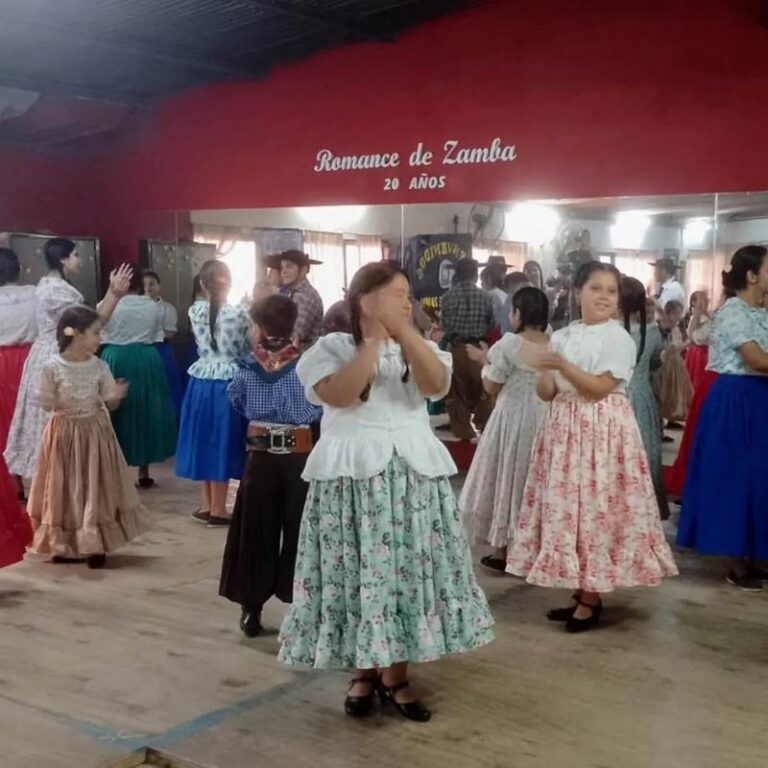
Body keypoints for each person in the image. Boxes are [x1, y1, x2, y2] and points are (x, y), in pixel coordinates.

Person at [278, 261, 494, 722]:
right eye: (396, 293)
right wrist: (374, 340)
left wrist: (407, 333)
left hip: (411, 480)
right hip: (352, 482)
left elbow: (436, 385)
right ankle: (362, 670)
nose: (405, 301)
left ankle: (396, 673)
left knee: (405, 575)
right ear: (363, 299)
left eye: (408, 294)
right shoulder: (331, 348)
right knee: (358, 572)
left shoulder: (423, 348)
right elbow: (340, 396)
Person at [507, 261, 678, 632]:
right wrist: (542, 369)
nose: (604, 296)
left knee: (595, 508)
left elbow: (599, 388)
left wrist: (561, 366)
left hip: (601, 431)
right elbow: (548, 392)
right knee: (572, 509)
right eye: (595, 288)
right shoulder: (565, 334)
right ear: (577, 292)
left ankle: (590, 596)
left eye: (611, 290)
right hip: (565, 428)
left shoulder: (617, 338)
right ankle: (583, 590)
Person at [219, 295, 322, 637]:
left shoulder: (249, 366)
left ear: (259, 328)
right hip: (300, 458)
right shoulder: (307, 365)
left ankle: (252, 609)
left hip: (261, 457)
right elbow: (320, 406)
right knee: (299, 529)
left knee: (256, 529)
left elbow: (236, 399)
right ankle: (301, 608)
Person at [26, 306, 150, 568]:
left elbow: (109, 402)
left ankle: (95, 543)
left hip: (95, 433)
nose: (99, 338)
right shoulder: (52, 366)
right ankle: (62, 543)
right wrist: (48, 398)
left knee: (94, 487)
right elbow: (45, 401)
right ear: (77, 334)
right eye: (95, 333)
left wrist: (115, 395)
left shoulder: (100, 366)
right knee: (64, 488)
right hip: (64, 435)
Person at [677, 246, 768, 590]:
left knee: (758, 479)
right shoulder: (733, 312)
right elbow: (755, 359)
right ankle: (736, 563)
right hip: (736, 398)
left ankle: (751, 556)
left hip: (758, 398)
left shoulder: (760, 310)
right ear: (752, 275)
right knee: (735, 478)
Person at [5, 238, 131, 479]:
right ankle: (62, 482)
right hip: (60, 357)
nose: (79, 260)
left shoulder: (48, 284)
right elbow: (92, 322)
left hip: (46, 354)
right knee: (63, 421)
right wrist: (114, 293)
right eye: (75, 255)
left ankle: (58, 481)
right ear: (63, 259)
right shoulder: (57, 290)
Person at [459, 287, 550, 571]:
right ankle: (538, 548)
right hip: (545, 416)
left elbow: (491, 386)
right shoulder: (555, 343)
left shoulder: (509, 344)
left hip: (511, 417)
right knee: (535, 481)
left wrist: (484, 362)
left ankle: (503, 549)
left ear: (518, 314)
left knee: (506, 477)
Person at [176, 260, 250, 525]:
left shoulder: (194, 311)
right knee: (223, 441)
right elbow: (245, 349)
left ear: (203, 285)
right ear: (226, 282)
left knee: (204, 440)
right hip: (227, 383)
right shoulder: (239, 313)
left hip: (200, 382)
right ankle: (219, 509)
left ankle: (207, 505)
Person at [100, 265, 177, 488]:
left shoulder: (105, 306)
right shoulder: (153, 306)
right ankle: (144, 472)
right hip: (146, 358)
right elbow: (158, 335)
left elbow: (98, 329)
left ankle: (116, 470)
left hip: (115, 357)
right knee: (146, 410)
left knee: (117, 412)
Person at [621, 276, 669, 520]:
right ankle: (644, 511)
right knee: (644, 454)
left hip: (614, 397)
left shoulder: (611, 332)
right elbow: (654, 365)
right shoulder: (651, 333)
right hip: (642, 397)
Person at [440, 258, 496, 440]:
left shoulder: (447, 297)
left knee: (457, 393)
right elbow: (492, 324)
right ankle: (485, 428)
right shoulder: (486, 297)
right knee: (484, 391)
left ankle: (463, 432)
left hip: (456, 349)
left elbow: (445, 325)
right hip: (479, 349)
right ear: (475, 274)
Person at [0, 248, 37, 500]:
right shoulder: (36, 293)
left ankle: (15, 486)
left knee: (6, 421)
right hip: (32, 359)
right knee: (35, 421)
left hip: (2, 362)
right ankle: (43, 483)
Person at [143, 270, 184, 421]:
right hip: (142, 350)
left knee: (166, 386)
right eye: (144, 284)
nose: (148, 287)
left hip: (161, 350)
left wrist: (153, 334)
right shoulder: (134, 306)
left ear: (159, 286)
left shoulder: (167, 308)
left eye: (151, 284)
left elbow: (171, 333)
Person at [275, 250, 324, 351]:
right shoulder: (293, 293)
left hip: (304, 359)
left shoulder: (306, 296)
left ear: (303, 270)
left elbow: (295, 335)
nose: (283, 271)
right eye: (282, 267)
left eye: (289, 266)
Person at [657, 300, 693, 431]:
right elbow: (671, 348)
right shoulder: (664, 328)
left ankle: (670, 419)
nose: (678, 316)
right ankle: (662, 423)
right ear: (668, 313)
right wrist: (687, 344)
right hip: (668, 362)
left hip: (676, 361)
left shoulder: (677, 327)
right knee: (665, 392)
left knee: (675, 391)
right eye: (676, 313)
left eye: (679, 313)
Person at [684, 290, 712, 393]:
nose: (707, 301)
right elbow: (692, 335)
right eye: (702, 299)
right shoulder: (696, 318)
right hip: (698, 354)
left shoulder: (709, 317)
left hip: (704, 353)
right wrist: (698, 312)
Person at [480, 265, 507, 334]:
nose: (481, 284)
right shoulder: (503, 294)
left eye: (482, 280)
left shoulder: (490, 295)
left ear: (489, 280)